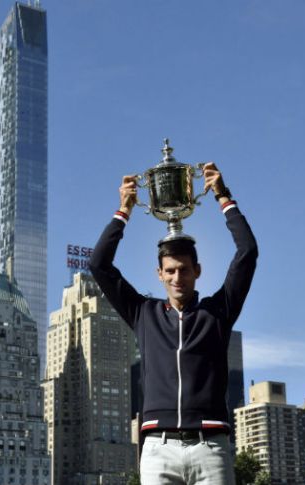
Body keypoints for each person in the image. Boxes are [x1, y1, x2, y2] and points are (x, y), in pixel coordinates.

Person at [88, 162, 258, 484]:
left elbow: (247, 252)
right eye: (170, 271)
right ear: (160, 274)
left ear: (198, 271)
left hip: (211, 447)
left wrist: (223, 196)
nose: (177, 277)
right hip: (157, 449)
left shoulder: (217, 313)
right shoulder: (143, 313)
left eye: (183, 269)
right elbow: (99, 264)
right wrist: (123, 211)